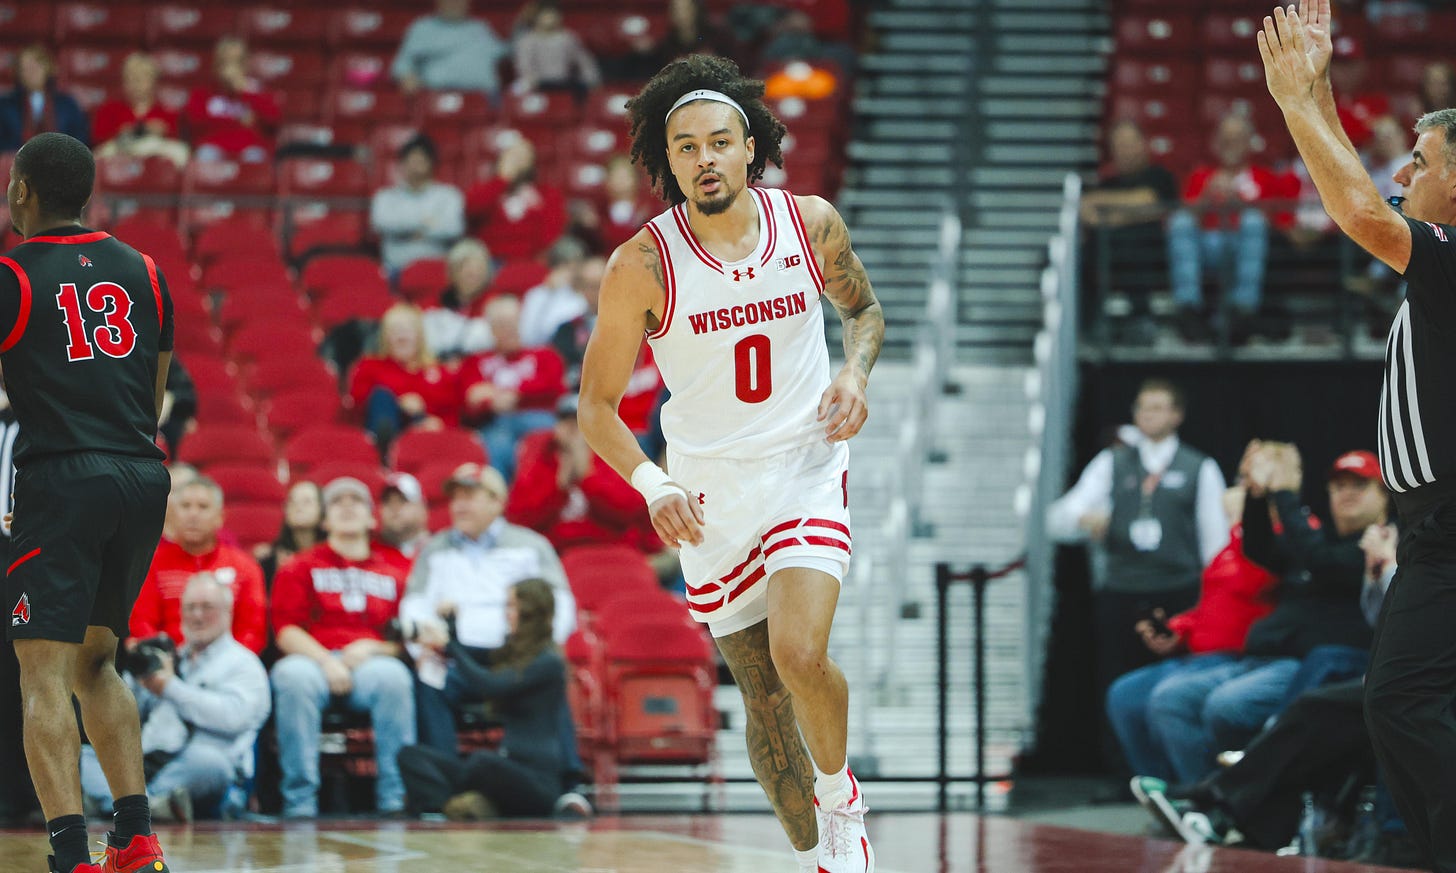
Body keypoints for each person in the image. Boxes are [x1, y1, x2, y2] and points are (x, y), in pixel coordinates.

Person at [577, 55, 884, 873]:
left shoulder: (810, 224)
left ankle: (842, 800)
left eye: (720, 141)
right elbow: (595, 409)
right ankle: (814, 833)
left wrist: (854, 373)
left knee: (800, 653)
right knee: (762, 695)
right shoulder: (640, 265)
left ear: (751, 147)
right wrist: (654, 482)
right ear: (665, 160)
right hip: (707, 493)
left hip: (804, 466)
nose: (705, 158)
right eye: (686, 147)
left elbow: (863, 310)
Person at [1259, 5, 1456, 869]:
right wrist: (1318, 88)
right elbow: (1368, 200)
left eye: (1422, 159)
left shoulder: (1451, 253)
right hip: (1426, 528)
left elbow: (1360, 214)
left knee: (1401, 700)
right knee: (1401, 704)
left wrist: (1297, 103)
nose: (1402, 170)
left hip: (1448, 527)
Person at [2, 132, 175, 873]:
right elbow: (156, 392)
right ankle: (134, 838)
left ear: (22, 192)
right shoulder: (147, 270)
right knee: (97, 662)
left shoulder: (11, 273)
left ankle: (71, 854)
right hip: (142, 474)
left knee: (40, 674)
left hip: (62, 480)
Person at [1135, 523, 1401, 854]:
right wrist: (1376, 575)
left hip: (1419, 679)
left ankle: (1220, 798)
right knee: (1317, 703)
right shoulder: (1391, 539)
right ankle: (1241, 816)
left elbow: (1419, 624)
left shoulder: (1342, 546)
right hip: (1390, 671)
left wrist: (1389, 568)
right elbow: (1385, 618)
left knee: (1306, 699)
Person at [1139, 445, 1386, 787]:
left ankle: (1232, 795)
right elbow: (1260, 549)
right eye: (1339, 486)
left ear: (1384, 496)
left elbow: (1325, 564)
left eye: (1359, 486)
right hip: (1262, 658)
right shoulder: (1319, 538)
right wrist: (1256, 495)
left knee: (1225, 706)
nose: (1347, 494)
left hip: (1314, 667)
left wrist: (1283, 493)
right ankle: (1206, 796)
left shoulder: (1380, 543)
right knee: (1170, 700)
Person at [1046, 379, 1229, 752]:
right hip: (1122, 590)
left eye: (1158, 407)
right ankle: (1121, 773)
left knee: (1175, 682)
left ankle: (1173, 765)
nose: (1148, 415)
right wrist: (1084, 519)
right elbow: (1058, 519)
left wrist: (1210, 604)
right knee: (1115, 681)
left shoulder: (1199, 466)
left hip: (1179, 592)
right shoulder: (1112, 462)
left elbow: (1216, 543)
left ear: (1177, 415)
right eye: (1142, 407)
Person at [398, 462, 575, 753]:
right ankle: (445, 786)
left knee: (549, 674)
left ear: (497, 501)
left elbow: (560, 603)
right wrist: (424, 649)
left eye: (469, 496)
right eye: (455, 498)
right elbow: (414, 606)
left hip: (516, 658)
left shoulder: (531, 545)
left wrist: (540, 648)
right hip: (455, 659)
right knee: (429, 679)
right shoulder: (434, 549)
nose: (459, 505)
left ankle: (565, 785)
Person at [1106, 485, 1277, 786]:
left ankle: (1202, 793)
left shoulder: (1275, 548)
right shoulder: (1226, 553)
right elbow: (1210, 606)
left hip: (1235, 658)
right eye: (1229, 516)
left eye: (1238, 514)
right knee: (1124, 694)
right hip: (1196, 655)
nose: (1232, 523)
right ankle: (1160, 788)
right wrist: (1178, 629)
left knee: (1169, 698)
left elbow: (1257, 584)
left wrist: (1246, 533)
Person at [268, 477, 415, 819]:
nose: (347, 505)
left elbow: (405, 643)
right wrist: (325, 661)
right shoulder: (300, 565)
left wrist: (372, 649)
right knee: (292, 678)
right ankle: (300, 802)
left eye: (357, 501)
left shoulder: (396, 571)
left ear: (371, 519)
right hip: (311, 660)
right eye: (337, 502)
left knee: (396, 679)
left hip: (371, 664)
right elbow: (286, 631)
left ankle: (394, 799)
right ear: (325, 520)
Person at [81, 573, 270, 823]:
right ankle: (148, 806)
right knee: (84, 754)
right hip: (150, 761)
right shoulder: (169, 658)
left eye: (207, 607)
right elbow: (134, 717)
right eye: (190, 607)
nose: (198, 615)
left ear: (228, 612)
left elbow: (232, 718)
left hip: (201, 766)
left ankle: (122, 806)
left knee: (211, 763)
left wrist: (169, 687)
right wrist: (137, 682)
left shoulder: (244, 664)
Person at [399, 578, 578, 819]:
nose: (507, 614)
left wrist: (451, 647)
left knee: (482, 762)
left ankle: (462, 804)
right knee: (410, 756)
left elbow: (490, 684)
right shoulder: (514, 652)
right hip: (504, 772)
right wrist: (450, 629)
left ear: (531, 613)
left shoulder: (548, 662)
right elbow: (474, 654)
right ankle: (443, 809)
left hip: (538, 784)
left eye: (512, 607)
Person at [1166, 112, 1292, 343]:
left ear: (1248, 143)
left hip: (1244, 245)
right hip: (1207, 245)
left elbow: (1277, 222)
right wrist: (1205, 198)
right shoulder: (1202, 175)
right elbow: (1184, 218)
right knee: (1181, 222)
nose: (1230, 145)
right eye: (1225, 139)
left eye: (1237, 139)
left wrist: (1243, 203)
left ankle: (1243, 308)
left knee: (1253, 221)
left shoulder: (1264, 177)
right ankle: (1188, 307)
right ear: (1215, 143)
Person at [130, 476, 269, 654]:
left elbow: (253, 630)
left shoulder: (245, 567)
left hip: (230, 666)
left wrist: (228, 663)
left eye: (203, 507)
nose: (193, 514)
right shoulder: (150, 564)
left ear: (220, 517)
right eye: (185, 506)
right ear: (172, 515)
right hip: (167, 665)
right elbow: (141, 624)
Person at [507, 394, 660, 554]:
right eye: (567, 422)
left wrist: (586, 477)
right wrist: (559, 487)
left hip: (610, 548)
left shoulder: (611, 456)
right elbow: (520, 517)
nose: (573, 429)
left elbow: (630, 511)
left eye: (579, 423)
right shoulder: (540, 457)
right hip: (556, 552)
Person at [1080, 120, 1180, 344]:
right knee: (1084, 253)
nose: (1123, 150)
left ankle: (1140, 318)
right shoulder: (1107, 183)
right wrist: (1131, 213)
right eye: (1118, 145)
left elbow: (1150, 201)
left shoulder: (1159, 176)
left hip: (1150, 253)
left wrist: (1109, 215)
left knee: (1132, 242)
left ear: (1142, 144)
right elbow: (1086, 211)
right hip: (1107, 254)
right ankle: (1091, 325)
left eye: (1128, 143)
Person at [458, 295, 567, 482]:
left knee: (544, 441)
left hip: (539, 418)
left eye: (513, 322)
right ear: (491, 330)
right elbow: (469, 400)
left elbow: (554, 387)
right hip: (495, 423)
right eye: (501, 324)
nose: (508, 330)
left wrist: (514, 394)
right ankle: (499, 500)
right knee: (495, 444)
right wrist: (489, 403)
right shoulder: (476, 362)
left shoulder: (543, 354)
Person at [347, 304, 460, 452]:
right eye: (394, 331)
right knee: (382, 396)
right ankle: (385, 454)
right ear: (385, 337)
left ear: (419, 336)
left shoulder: (441, 373)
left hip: (427, 438)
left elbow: (454, 415)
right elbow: (356, 406)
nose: (401, 337)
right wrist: (399, 403)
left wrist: (436, 421)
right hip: (382, 432)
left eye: (407, 330)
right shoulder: (369, 366)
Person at [370, 134, 465, 278]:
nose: (416, 165)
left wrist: (403, 229)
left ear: (431, 163)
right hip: (395, 271)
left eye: (421, 160)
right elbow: (381, 223)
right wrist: (426, 223)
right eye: (411, 160)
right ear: (402, 164)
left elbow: (453, 228)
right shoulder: (385, 197)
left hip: (436, 271)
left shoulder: (449, 195)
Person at [464, 139, 568, 263]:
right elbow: (472, 210)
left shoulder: (547, 194)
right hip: (487, 261)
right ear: (500, 160)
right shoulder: (483, 189)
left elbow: (551, 234)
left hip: (529, 261)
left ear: (532, 163)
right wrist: (502, 179)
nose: (517, 162)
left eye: (523, 157)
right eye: (512, 156)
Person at [182, 37, 280, 163]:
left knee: (255, 158)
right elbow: (193, 123)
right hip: (213, 146)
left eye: (237, 62)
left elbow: (273, 121)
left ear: (246, 64)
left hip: (249, 148)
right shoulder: (202, 93)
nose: (231, 68)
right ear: (216, 64)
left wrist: (245, 91)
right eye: (226, 62)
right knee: (205, 155)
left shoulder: (257, 91)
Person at [392, 0, 510, 98]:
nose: (455, 3)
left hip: (484, 97)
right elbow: (402, 64)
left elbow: (505, 53)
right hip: (438, 97)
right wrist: (407, 77)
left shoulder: (480, 27)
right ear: (438, 2)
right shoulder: (422, 27)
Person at [91, 53, 189, 168]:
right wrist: (119, 132)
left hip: (154, 155)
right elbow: (97, 139)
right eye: (130, 79)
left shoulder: (167, 112)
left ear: (154, 82)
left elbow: (175, 139)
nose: (135, 84)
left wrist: (161, 130)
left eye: (141, 79)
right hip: (120, 151)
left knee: (181, 152)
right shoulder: (108, 109)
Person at [0, 46, 89, 152]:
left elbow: (80, 142)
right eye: (25, 68)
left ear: (48, 68)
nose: (31, 73)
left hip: (60, 163)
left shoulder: (68, 104)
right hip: (16, 163)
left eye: (36, 66)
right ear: (18, 73)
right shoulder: (5, 105)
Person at [423, 238, 496, 360]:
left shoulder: (495, 304)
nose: (473, 273)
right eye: (465, 268)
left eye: (478, 268)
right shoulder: (434, 304)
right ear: (452, 272)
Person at [519, 237, 590, 348]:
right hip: (544, 352)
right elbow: (529, 337)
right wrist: (550, 294)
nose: (572, 272)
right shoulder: (535, 296)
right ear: (554, 267)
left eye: (576, 266)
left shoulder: (584, 297)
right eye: (565, 266)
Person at [255, 480, 324, 585]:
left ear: (323, 510)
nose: (298, 507)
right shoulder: (270, 558)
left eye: (307, 502)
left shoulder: (336, 554)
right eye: (292, 501)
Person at [378, 472, 431, 559]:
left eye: (402, 500)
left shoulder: (442, 552)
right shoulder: (372, 555)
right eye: (387, 501)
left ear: (423, 508)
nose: (394, 507)